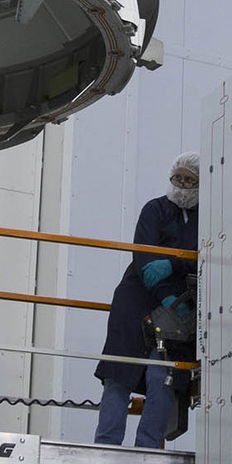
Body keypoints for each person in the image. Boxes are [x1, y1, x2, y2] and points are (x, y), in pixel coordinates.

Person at [94, 152, 199, 448]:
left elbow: (208, 258)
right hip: (137, 300)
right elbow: (145, 259)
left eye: (189, 179)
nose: (181, 184)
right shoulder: (154, 210)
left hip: (180, 307)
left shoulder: (207, 219)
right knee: (119, 373)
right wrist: (166, 294)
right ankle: (106, 444)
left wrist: (176, 265)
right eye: (177, 178)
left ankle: (148, 447)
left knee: (162, 377)